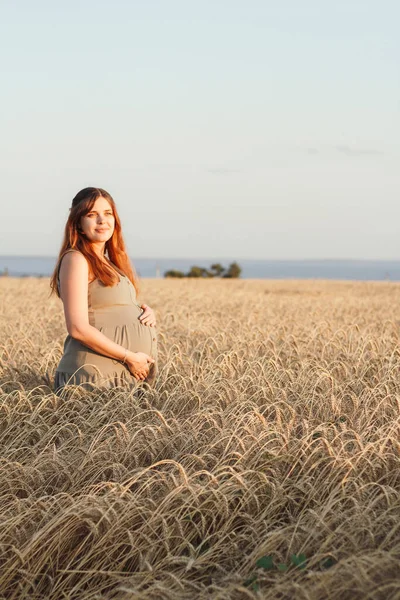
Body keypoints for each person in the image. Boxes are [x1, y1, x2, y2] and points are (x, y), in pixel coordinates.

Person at [50, 187, 157, 394]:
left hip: (121, 375)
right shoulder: (76, 259)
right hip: (93, 376)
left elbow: (110, 306)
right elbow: (77, 328)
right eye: (92, 215)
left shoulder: (109, 263)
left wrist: (143, 312)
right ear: (78, 223)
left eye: (108, 213)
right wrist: (130, 357)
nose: (102, 220)